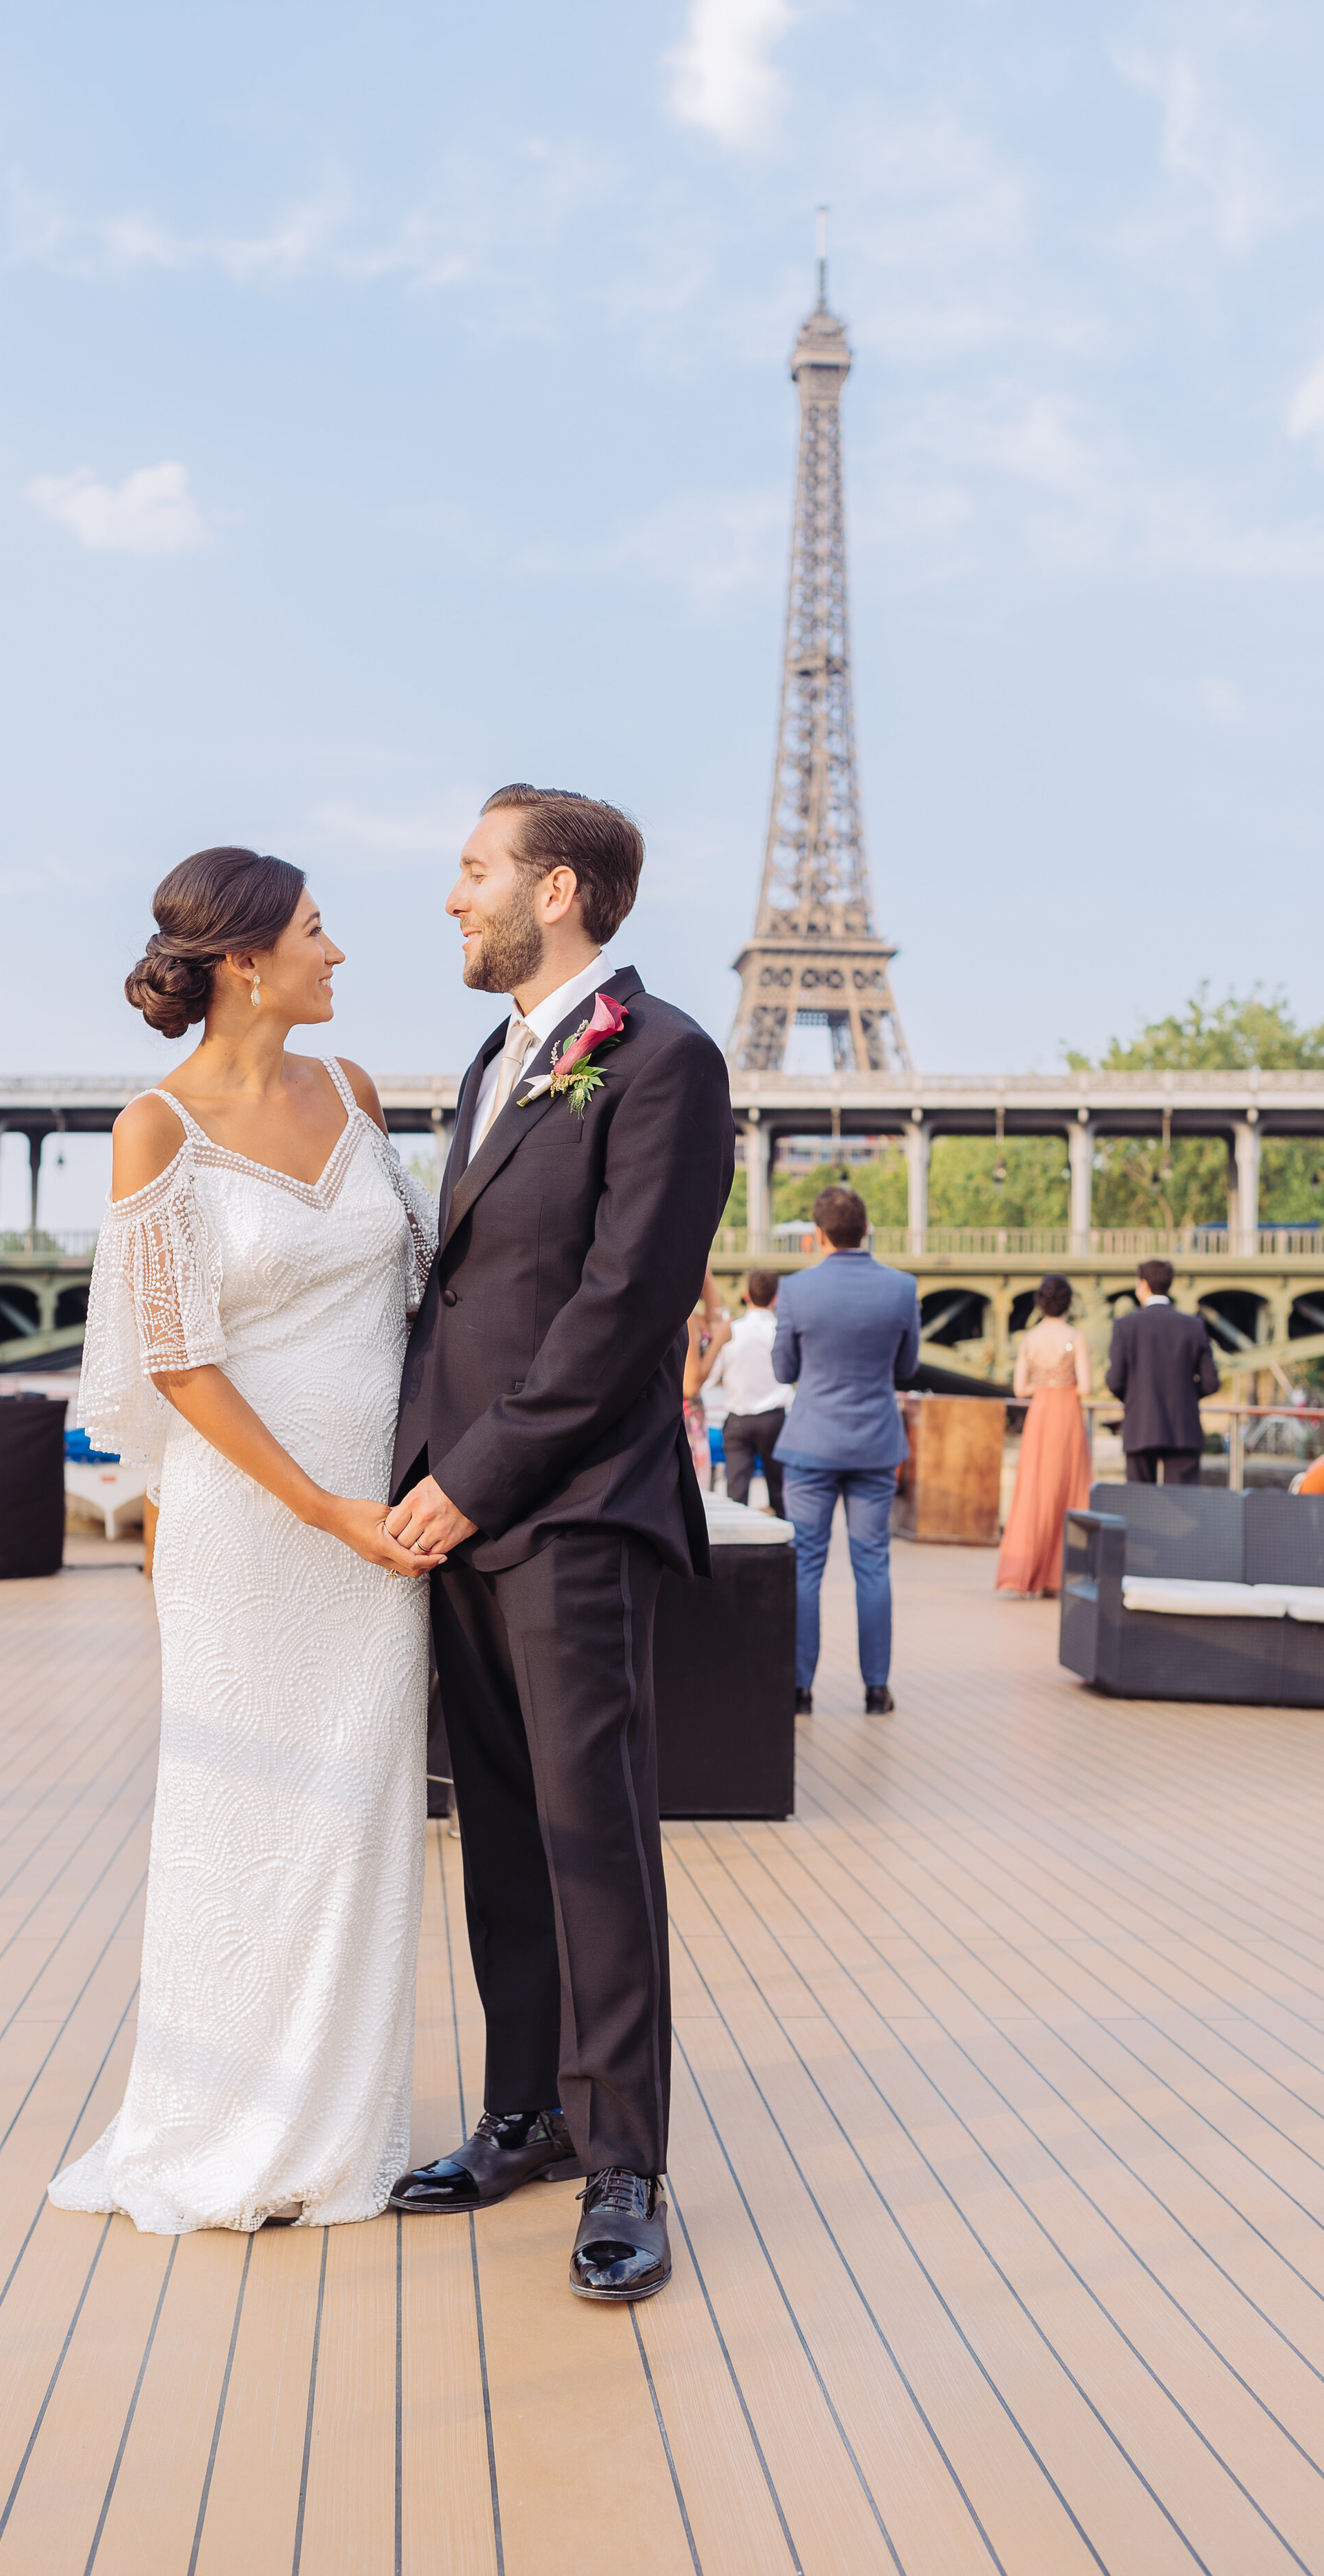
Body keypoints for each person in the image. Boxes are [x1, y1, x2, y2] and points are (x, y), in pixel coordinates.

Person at [48, 846, 440, 2237]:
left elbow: (418, 1288)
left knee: (356, 1821)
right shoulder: (154, 1127)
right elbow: (175, 1360)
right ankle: (210, 2124)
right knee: (240, 1819)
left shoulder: (354, 1094)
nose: (339, 955)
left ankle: (339, 2132)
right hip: (259, 1528)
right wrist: (318, 1505)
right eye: (319, 932)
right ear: (245, 961)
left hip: (378, 1529)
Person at [382, 783, 735, 2307]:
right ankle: (522, 2108)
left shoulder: (663, 1060)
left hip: (569, 1508)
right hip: (455, 1511)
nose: (450, 899)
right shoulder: (493, 1059)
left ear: (563, 891)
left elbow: (621, 1309)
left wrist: (477, 1476)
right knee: (505, 1836)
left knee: (594, 1837)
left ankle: (625, 2159)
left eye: (474, 872)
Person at [771, 1186, 919, 1717]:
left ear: (818, 1234)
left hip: (811, 1445)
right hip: (876, 1443)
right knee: (873, 1565)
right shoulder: (902, 1288)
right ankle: (876, 1689)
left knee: (806, 1567)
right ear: (867, 1228)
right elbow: (906, 1368)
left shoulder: (795, 1290)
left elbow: (783, 1370)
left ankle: (799, 1687)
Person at [995, 1274, 1091, 1597]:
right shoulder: (1075, 1337)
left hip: (1040, 1413)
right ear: (1069, 1302)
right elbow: (1088, 1387)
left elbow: (1020, 1388)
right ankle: (1058, 1574)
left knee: (1034, 1488)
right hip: (1066, 1413)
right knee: (1068, 1487)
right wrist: (1062, 1385)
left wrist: (1044, 1386)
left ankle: (1025, 1570)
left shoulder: (1029, 1339)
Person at [1106, 1257, 1220, 1485]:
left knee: (1140, 1507)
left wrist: (1136, 1396)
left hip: (1140, 1426)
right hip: (1184, 1428)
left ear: (1143, 1284)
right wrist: (1186, 1394)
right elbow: (1211, 1383)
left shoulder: (1125, 1326)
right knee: (1183, 1512)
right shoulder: (1193, 1325)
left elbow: (1114, 1381)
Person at [712, 1268, 791, 1516]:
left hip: (738, 1419)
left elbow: (714, 1375)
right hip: (774, 1419)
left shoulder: (732, 1332)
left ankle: (737, 1550)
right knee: (779, 1492)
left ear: (746, 1295)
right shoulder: (781, 1332)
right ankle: (783, 1548)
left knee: (736, 1495)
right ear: (776, 1298)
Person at [682, 1267, 732, 1487]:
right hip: (686, 1420)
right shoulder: (687, 1316)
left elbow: (716, 1318)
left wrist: (707, 1272)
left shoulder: (685, 1311)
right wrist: (718, 1341)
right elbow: (690, 1385)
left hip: (689, 1418)